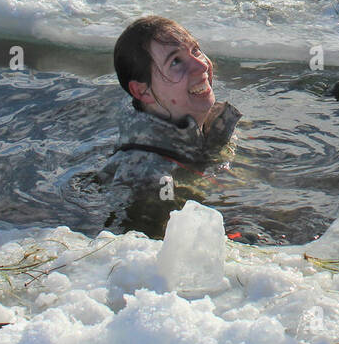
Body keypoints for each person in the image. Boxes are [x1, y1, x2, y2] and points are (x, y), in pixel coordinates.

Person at [100, 15, 242, 238]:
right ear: (142, 91)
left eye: (195, 51)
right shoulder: (147, 180)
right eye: (175, 61)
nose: (201, 65)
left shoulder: (212, 127)